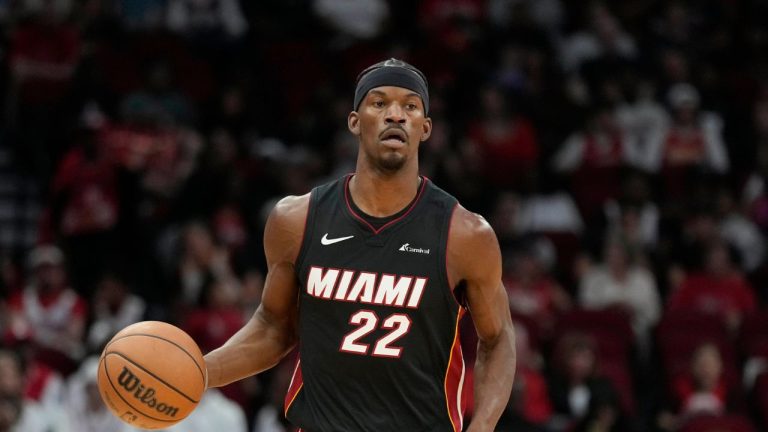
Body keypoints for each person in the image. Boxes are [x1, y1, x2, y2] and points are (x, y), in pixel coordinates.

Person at [203, 58, 516, 431]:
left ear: (425, 128)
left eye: (410, 106)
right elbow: (274, 327)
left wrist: (481, 426)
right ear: (354, 121)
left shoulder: (466, 234)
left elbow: (497, 340)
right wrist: (200, 373)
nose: (396, 115)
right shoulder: (296, 220)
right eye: (379, 103)